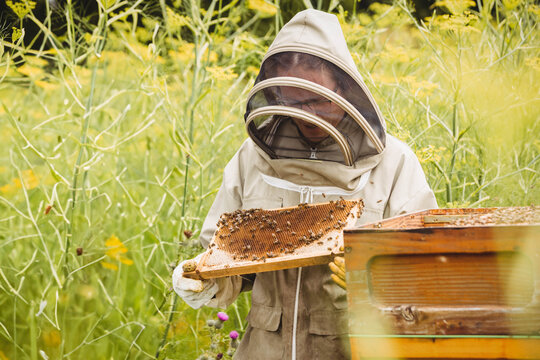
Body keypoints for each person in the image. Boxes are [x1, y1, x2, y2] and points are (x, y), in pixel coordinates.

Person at [172, 9, 438, 360]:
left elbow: (426, 269)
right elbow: (224, 259)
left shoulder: (394, 164)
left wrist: (375, 279)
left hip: (353, 347)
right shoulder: (252, 158)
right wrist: (203, 278)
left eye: (317, 99)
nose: (307, 113)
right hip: (264, 349)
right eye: (293, 100)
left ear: (343, 88)